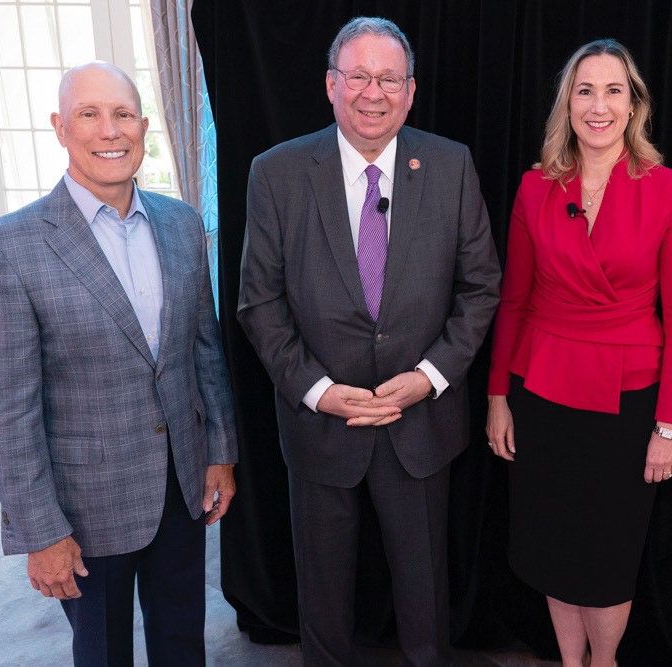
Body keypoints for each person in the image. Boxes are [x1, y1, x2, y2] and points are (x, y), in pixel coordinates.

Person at [237, 16, 501, 666]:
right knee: (322, 598)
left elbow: (481, 287)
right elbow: (258, 301)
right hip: (320, 423)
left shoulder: (450, 165)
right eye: (358, 76)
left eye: (388, 78)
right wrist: (321, 392)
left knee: (423, 592)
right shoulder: (276, 173)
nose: (372, 92)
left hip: (421, 422)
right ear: (331, 85)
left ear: (410, 91)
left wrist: (431, 376)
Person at [0, 62, 237, 665]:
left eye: (122, 115)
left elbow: (203, 351)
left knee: (182, 646)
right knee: (103, 654)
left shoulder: (181, 224)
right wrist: (41, 530)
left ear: (144, 126)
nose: (109, 130)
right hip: (82, 510)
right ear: (61, 128)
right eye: (90, 115)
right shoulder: (6, 248)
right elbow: (6, 411)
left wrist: (219, 451)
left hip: (179, 488)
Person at [486, 39, 672, 666]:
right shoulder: (535, 188)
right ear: (568, 103)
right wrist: (498, 396)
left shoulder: (668, 190)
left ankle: (602, 665)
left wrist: (669, 424)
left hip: (630, 402)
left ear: (634, 104)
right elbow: (513, 302)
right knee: (555, 545)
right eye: (585, 90)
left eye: (613, 90)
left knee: (606, 554)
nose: (598, 105)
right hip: (544, 391)